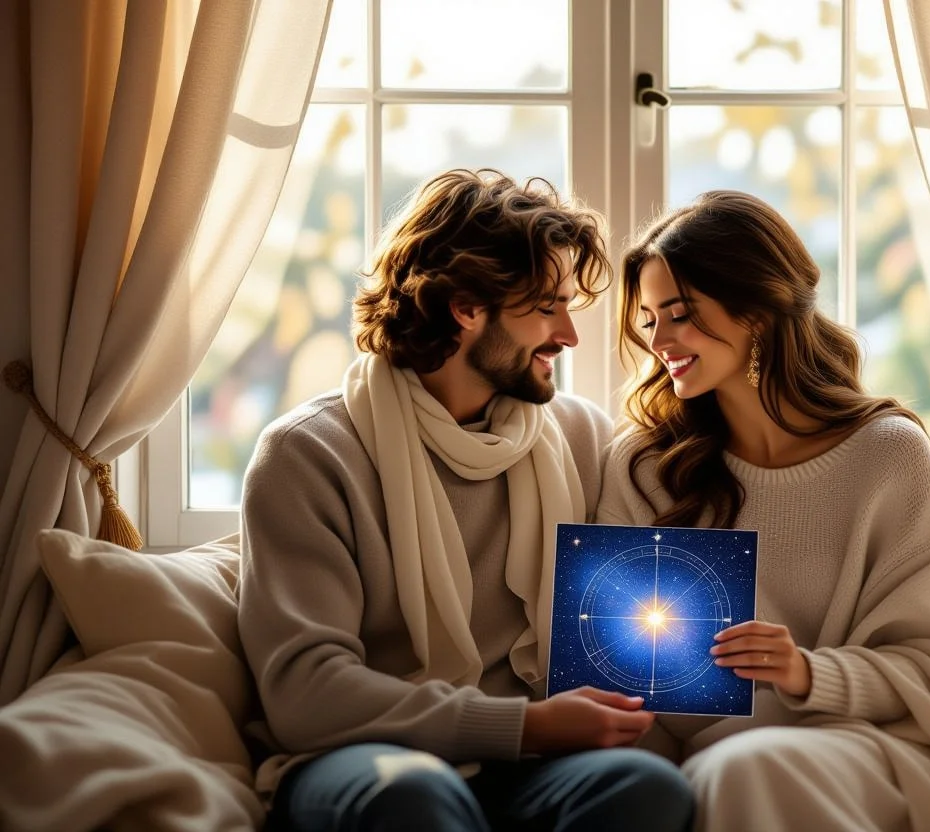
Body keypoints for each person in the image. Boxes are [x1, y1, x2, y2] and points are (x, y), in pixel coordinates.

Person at [238, 169, 695, 832]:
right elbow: (305, 693)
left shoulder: (580, 436)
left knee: (646, 787)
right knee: (411, 795)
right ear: (466, 308)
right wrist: (526, 725)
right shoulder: (309, 454)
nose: (569, 335)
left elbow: (641, 618)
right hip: (366, 755)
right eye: (548, 307)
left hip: (534, 763)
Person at [597, 190, 930, 831]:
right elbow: (616, 664)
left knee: (745, 769)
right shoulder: (646, 466)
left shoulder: (886, 455)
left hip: (867, 739)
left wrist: (805, 672)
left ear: (756, 312)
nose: (659, 340)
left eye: (679, 314)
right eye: (649, 320)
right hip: (694, 758)